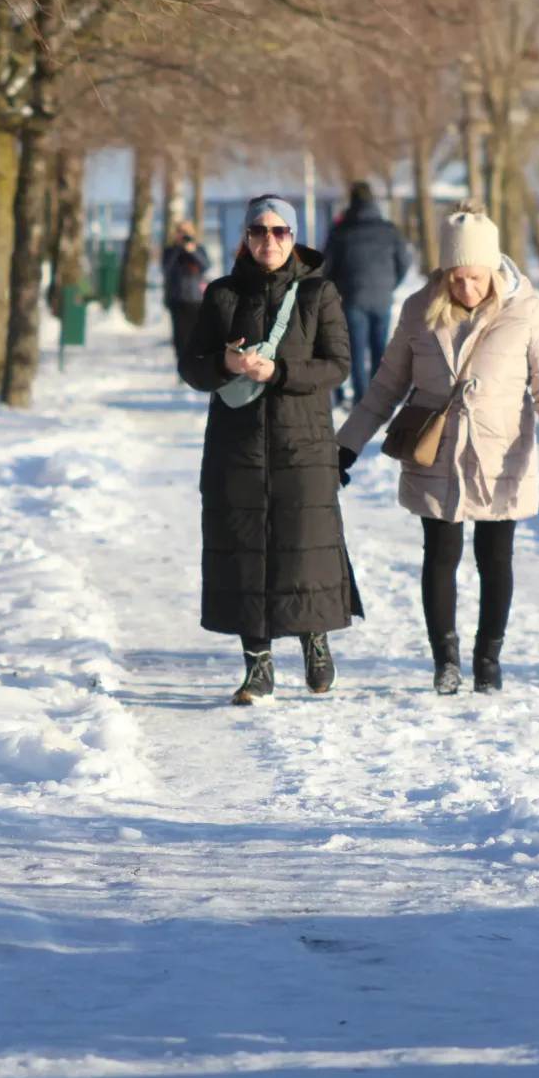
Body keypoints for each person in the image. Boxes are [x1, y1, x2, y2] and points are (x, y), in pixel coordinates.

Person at [336, 200, 539, 695]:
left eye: (476, 278)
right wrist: (347, 446)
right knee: (440, 554)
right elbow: (385, 386)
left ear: (493, 268)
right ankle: (444, 661)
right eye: (457, 278)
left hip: (500, 449)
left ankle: (488, 658)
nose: (466, 289)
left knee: (495, 557)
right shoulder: (419, 310)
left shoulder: (525, 310)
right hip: (436, 448)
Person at [179, 194, 363, 705]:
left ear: (294, 237)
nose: (269, 240)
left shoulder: (318, 294)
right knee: (244, 551)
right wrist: (225, 364)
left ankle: (315, 642)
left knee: (306, 545)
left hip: (302, 442)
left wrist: (277, 371)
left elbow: (337, 365)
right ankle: (257, 663)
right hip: (236, 447)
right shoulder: (221, 295)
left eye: (280, 231)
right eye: (259, 231)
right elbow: (191, 367)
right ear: (245, 237)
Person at [323, 181, 411, 403]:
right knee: (380, 348)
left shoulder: (341, 231)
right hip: (382, 297)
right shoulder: (389, 230)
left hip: (353, 297)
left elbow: (327, 267)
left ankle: (362, 399)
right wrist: (390, 284)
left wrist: (339, 288)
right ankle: (380, 397)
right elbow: (404, 262)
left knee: (357, 351)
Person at [162, 220, 210, 366]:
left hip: (196, 298)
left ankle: (196, 363)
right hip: (177, 298)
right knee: (180, 336)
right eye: (181, 232)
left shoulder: (198, 248)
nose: (184, 235)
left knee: (197, 334)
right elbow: (166, 269)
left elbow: (206, 266)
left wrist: (192, 251)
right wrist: (178, 249)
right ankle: (183, 364)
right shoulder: (170, 250)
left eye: (187, 231)